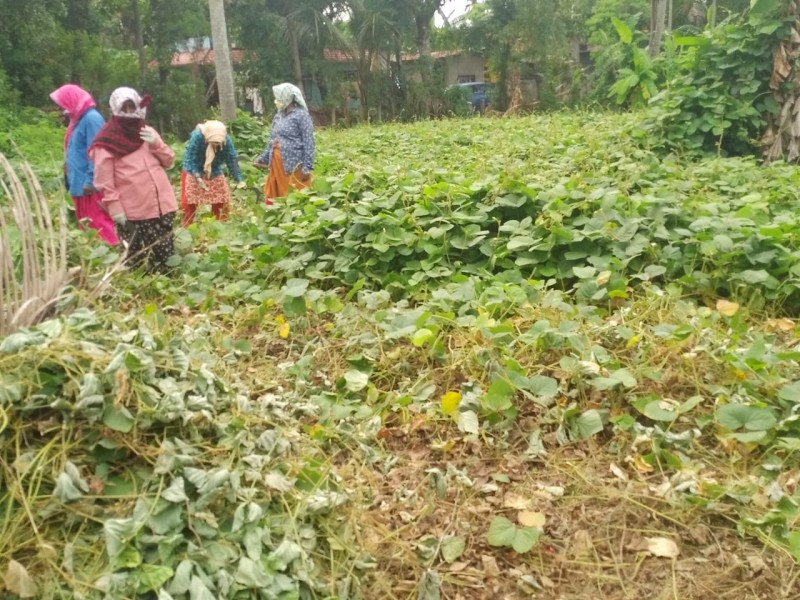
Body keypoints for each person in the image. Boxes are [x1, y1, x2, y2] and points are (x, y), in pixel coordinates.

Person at [88, 87, 177, 273]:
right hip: (135, 211)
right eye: (125, 108)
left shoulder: (146, 131)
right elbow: (104, 181)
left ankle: (167, 282)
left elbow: (169, 161)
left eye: (132, 107)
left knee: (166, 258)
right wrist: (115, 208)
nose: (129, 112)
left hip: (162, 204)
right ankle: (144, 286)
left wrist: (156, 143)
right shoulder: (106, 142)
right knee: (137, 260)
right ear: (116, 108)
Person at [49, 84, 119, 245]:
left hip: (90, 186)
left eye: (64, 103)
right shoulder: (76, 120)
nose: (62, 108)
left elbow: (98, 152)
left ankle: (112, 251)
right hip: (78, 183)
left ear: (72, 100)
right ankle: (95, 254)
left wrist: (90, 180)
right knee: (86, 226)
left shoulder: (91, 119)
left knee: (99, 224)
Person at [254, 83, 315, 204]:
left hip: (294, 163)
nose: (276, 101)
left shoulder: (301, 116)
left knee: (295, 194)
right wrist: (262, 159)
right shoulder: (278, 116)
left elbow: (309, 142)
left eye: (278, 98)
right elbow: (273, 140)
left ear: (287, 98)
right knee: (274, 194)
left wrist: (307, 166)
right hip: (276, 162)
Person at [180, 120, 245, 226]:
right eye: (214, 142)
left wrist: (239, 179)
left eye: (218, 143)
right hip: (193, 169)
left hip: (214, 169)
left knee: (222, 197)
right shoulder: (198, 136)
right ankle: (187, 226)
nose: (216, 145)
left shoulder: (226, 141)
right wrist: (197, 176)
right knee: (189, 200)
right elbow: (190, 159)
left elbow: (232, 160)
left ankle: (221, 225)